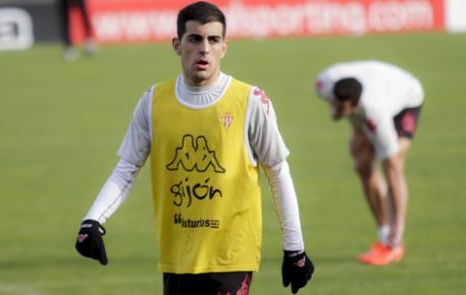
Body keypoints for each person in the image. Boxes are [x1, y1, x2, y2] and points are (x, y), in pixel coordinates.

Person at [74, 2, 314, 294]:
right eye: (195, 39)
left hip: (231, 258)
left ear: (224, 47)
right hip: (176, 257)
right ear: (177, 45)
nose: (204, 49)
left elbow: (277, 171)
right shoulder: (153, 101)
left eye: (213, 40)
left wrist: (294, 248)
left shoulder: (250, 101)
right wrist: (93, 219)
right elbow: (127, 169)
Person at [314, 60, 424, 266]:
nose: (334, 113)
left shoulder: (375, 114)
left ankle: (395, 241)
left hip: (406, 98)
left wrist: (397, 230)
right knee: (362, 165)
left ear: (357, 106)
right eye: (333, 105)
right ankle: (383, 234)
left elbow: (392, 171)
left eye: (341, 109)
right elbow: (345, 109)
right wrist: (355, 126)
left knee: (394, 165)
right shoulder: (323, 84)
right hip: (378, 86)